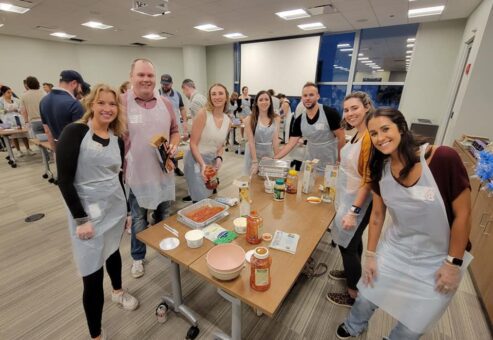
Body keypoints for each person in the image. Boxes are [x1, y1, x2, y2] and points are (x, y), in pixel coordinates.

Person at [336, 107, 472, 340]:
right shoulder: (380, 168)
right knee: (367, 295)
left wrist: (453, 264)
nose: (380, 138)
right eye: (374, 133)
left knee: (415, 323)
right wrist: (370, 256)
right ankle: (353, 325)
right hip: (397, 248)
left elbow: (464, 215)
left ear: (401, 128)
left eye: (385, 129)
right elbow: (377, 216)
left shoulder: (442, 159)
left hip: (439, 258)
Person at [56, 84, 139, 340]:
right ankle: (96, 334)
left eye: (112, 104)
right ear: (91, 104)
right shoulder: (75, 132)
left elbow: (120, 177)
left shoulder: (117, 138)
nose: (107, 108)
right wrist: (81, 220)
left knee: (113, 251)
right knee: (91, 273)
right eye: (101, 103)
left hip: (114, 206)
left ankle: (117, 291)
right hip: (87, 214)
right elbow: (65, 180)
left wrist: (125, 211)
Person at [122, 58, 180, 278]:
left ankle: (164, 247)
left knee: (164, 212)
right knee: (139, 218)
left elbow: (175, 130)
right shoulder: (121, 102)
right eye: (141, 75)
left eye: (150, 76)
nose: (146, 79)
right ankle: (138, 257)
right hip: (137, 174)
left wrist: (174, 144)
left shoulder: (165, 103)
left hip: (163, 171)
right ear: (132, 77)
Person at [325, 92, 374, 308]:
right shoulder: (356, 134)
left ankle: (353, 294)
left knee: (347, 248)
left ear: (366, 107)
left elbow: (368, 180)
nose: (350, 113)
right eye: (346, 109)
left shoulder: (369, 139)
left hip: (359, 201)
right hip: (349, 197)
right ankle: (349, 273)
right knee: (353, 242)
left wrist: (353, 211)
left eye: (354, 108)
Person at [274, 82, 345, 174]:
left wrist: (340, 161)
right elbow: (291, 143)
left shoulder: (330, 114)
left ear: (318, 96)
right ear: (302, 98)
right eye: (305, 95)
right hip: (310, 160)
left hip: (330, 161)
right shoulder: (299, 120)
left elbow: (342, 138)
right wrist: (275, 158)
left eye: (311, 95)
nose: (308, 98)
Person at [184, 83, 231, 202]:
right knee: (200, 199)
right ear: (210, 97)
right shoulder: (203, 114)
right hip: (195, 160)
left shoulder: (228, 121)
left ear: (226, 97)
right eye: (213, 94)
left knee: (210, 195)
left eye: (220, 93)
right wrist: (202, 165)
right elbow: (193, 143)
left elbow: (221, 145)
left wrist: (219, 157)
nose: (217, 97)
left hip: (211, 162)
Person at [39, 70, 85, 151]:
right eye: (80, 86)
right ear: (74, 83)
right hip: (75, 151)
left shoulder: (43, 101)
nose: (80, 90)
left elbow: (47, 131)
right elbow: (81, 136)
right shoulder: (74, 104)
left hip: (59, 148)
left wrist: (56, 152)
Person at [244, 90, 280, 175]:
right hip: (253, 155)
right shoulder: (249, 119)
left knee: (267, 180)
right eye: (261, 100)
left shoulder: (276, 118)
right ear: (256, 103)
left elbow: (275, 141)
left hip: (268, 154)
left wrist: (277, 158)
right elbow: (251, 142)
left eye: (266, 99)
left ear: (270, 102)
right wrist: (255, 161)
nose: (264, 102)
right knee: (252, 181)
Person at [159, 74, 188, 176]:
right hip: (162, 127)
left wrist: (184, 122)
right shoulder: (157, 94)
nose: (165, 86)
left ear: (171, 84)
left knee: (174, 148)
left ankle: (175, 167)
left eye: (167, 84)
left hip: (175, 126)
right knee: (163, 148)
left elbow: (182, 108)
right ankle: (164, 167)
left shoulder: (177, 94)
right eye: (163, 84)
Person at [0, 86, 35, 156]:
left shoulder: (15, 99)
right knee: (13, 136)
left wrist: (17, 110)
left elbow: (21, 108)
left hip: (18, 118)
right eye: (8, 93)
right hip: (8, 119)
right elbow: (1, 111)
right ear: (3, 93)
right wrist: (6, 110)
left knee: (23, 134)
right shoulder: (0, 101)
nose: (10, 94)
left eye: (11, 92)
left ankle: (28, 149)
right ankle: (18, 151)